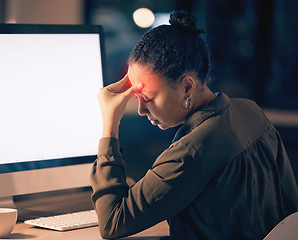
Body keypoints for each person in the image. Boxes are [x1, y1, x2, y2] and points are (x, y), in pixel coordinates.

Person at [90, 10, 298, 240]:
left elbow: (112, 223)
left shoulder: (190, 152)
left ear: (187, 87)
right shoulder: (251, 111)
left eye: (147, 98)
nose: (141, 110)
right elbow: (291, 209)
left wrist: (110, 122)